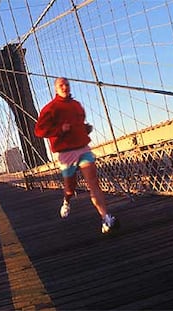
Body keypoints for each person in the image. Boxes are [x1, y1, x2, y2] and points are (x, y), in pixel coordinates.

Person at [34, 77, 119, 234]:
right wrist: (60, 130)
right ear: (56, 89)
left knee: (93, 182)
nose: (65, 87)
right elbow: (39, 131)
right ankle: (66, 201)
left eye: (67, 84)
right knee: (70, 189)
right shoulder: (50, 108)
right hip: (66, 154)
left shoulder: (77, 105)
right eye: (61, 85)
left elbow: (78, 123)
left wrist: (85, 129)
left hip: (82, 148)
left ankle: (106, 218)